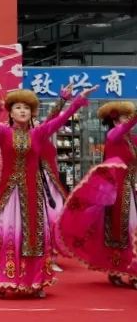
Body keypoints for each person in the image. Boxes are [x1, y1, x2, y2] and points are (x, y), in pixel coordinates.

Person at [0, 85, 97, 300]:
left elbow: (60, 120)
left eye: (26, 108)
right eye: (18, 107)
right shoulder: (2, 132)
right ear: (11, 112)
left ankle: (36, 281)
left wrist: (76, 101)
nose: (22, 111)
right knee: (3, 236)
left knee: (35, 237)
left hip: (32, 194)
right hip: (7, 195)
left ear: (31, 112)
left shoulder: (38, 133)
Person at [59, 101, 137, 289]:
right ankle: (118, 270)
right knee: (121, 231)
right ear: (115, 120)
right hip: (117, 192)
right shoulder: (113, 136)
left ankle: (128, 271)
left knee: (130, 230)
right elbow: (124, 129)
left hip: (130, 188)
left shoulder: (130, 140)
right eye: (125, 117)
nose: (128, 121)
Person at [38, 85, 74, 273]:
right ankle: (43, 258)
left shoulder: (42, 132)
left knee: (56, 217)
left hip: (52, 183)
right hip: (36, 183)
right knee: (43, 220)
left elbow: (52, 118)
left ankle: (51, 256)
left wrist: (63, 99)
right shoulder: (27, 136)